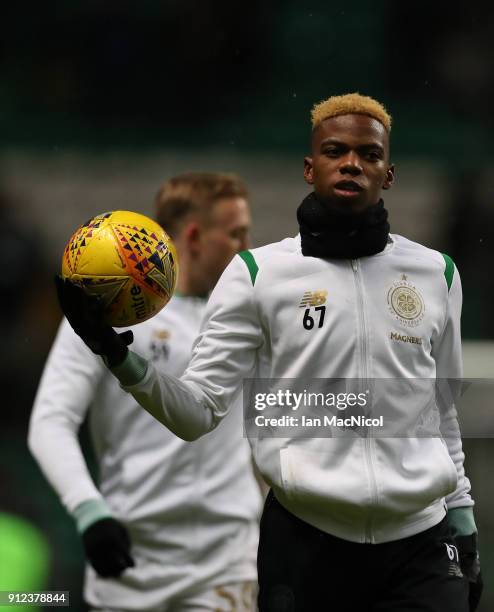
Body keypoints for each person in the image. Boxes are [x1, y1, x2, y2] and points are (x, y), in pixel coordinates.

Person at [54, 95, 483, 612]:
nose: (352, 162)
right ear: (310, 167)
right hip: (308, 545)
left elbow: (441, 411)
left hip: (423, 544)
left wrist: (462, 514)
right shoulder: (257, 274)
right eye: (335, 150)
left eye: (369, 155)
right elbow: (197, 413)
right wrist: (116, 356)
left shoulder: (437, 273)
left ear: (388, 173)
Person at [29, 172, 262, 612]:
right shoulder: (99, 321)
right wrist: (88, 511)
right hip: (128, 557)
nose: (247, 248)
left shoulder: (247, 319)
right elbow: (50, 421)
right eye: (236, 234)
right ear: (194, 236)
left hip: (227, 563)